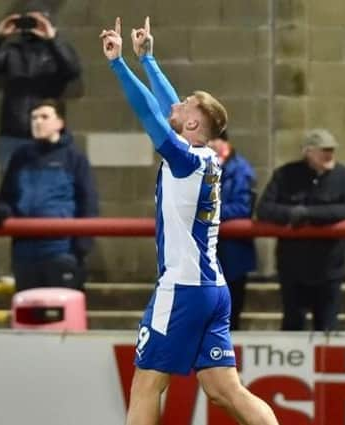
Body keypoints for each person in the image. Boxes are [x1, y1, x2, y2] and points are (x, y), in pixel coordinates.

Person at [100, 17, 279, 425]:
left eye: (184, 107)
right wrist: (149, 59)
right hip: (213, 288)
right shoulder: (206, 157)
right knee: (224, 390)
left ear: (194, 124)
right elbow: (167, 107)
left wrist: (119, 64)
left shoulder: (182, 160)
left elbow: (150, 113)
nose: (175, 106)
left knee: (146, 383)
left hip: (181, 286)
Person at [0, 99, 99, 292]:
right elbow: (7, 197)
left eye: (44, 117)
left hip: (61, 252)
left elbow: (88, 202)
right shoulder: (20, 157)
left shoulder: (74, 158)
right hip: (24, 254)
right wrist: (3, 211)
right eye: (34, 117)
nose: (37, 122)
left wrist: (81, 247)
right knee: (28, 317)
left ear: (60, 123)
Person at [256, 129, 345, 331]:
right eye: (324, 150)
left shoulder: (344, 177)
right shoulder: (285, 175)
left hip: (329, 267)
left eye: (331, 150)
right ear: (308, 152)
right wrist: (291, 213)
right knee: (293, 324)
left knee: (327, 326)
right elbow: (264, 209)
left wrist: (307, 213)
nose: (329, 155)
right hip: (293, 266)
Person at [0, 0, 82, 171]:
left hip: (49, 135)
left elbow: (73, 70)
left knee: (49, 190)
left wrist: (52, 39)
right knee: (14, 191)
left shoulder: (56, 51)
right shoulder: (12, 51)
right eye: (29, 21)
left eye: (38, 21)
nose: (33, 26)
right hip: (14, 135)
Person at [211, 130, 257, 331]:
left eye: (213, 139)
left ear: (223, 142)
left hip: (232, 254)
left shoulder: (240, 169)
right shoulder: (197, 165)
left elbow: (243, 207)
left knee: (229, 316)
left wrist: (206, 210)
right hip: (203, 256)